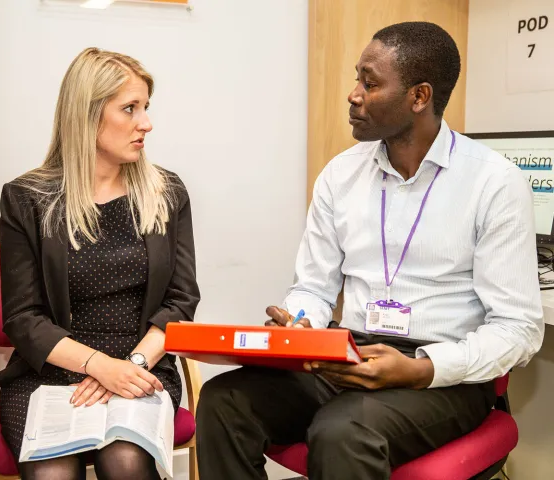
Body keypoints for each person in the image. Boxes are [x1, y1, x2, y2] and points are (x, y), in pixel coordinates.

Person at [196, 21, 544, 480]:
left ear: (419, 97)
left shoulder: (493, 183)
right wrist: (301, 325)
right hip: (349, 354)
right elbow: (314, 289)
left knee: (344, 431)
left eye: (370, 82)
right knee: (225, 401)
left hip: (442, 372)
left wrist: (421, 369)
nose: (353, 94)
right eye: (357, 78)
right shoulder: (341, 175)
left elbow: (518, 330)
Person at [0, 47, 200, 480]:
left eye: (146, 107)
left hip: (142, 365)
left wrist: (129, 368)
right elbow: (23, 317)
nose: (147, 123)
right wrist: (98, 366)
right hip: (48, 371)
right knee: (53, 473)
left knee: (125, 462)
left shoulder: (166, 193)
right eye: (130, 109)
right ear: (86, 116)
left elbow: (181, 301)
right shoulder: (27, 198)